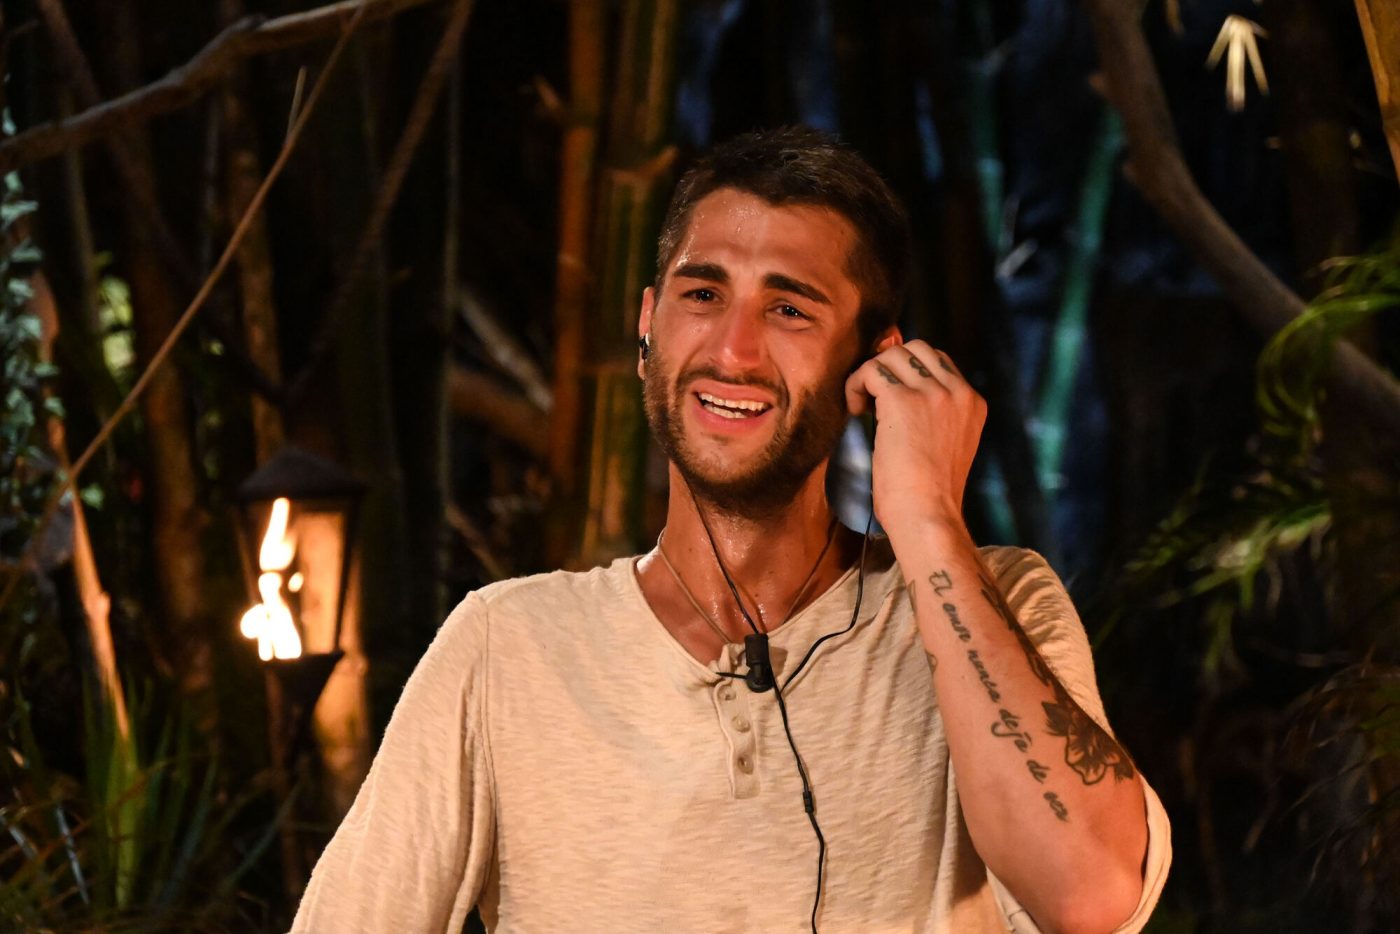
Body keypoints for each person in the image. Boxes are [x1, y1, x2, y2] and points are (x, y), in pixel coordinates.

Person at [291, 126, 1170, 933]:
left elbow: (1087, 895)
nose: (732, 350)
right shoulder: (506, 647)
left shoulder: (996, 601)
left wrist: (929, 522)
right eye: (704, 293)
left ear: (877, 362)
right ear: (648, 326)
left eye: (789, 309)